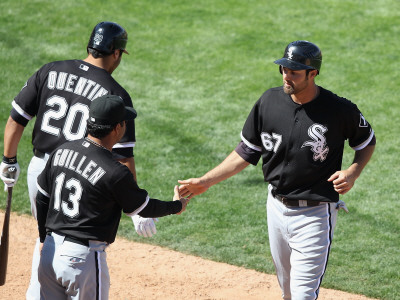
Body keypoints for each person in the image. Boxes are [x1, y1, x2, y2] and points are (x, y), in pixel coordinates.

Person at [178, 40, 375, 299]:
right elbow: (247, 151)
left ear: (313, 73)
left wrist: (353, 172)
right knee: (288, 293)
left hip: (314, 215)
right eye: (284, 69)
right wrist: (206, 181)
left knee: (303, 294)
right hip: (276, 209)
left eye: (294, 72)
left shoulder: (339, 110)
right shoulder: (269, 101)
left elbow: (366, 141)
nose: (287, 76)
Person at [0, 21, 157, 300]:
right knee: (77, 245)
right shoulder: (116, 96)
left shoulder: (50, 70)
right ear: (117, 54)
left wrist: (8, 160)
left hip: (42, 172)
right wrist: (136, 208)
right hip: (86, 175)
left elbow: (16, 119)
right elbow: (123, 157)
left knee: (47, 241)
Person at [36, 94, 189, 299]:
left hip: (50, 254)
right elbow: (144, 208)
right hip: (81, 261)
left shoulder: (62, 151)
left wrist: (43, 239)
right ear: (117, 128)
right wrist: (176, 206)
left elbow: (42, 197)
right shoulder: (114, 171)